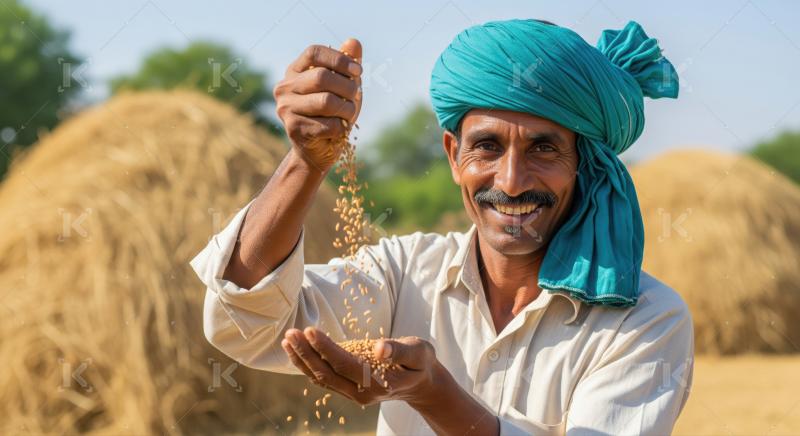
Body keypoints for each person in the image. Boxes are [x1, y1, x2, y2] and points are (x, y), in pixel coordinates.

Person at [191, 19, 694, 435]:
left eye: (544, 148)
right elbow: (247, 327)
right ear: (454, 156)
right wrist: (306, 162)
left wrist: (433, 395)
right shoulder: (403, 271)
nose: (512, 182)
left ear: (583, 163)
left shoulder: (645, 320)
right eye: (488, 147)